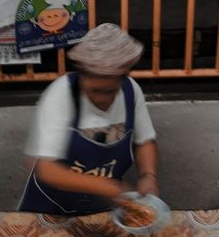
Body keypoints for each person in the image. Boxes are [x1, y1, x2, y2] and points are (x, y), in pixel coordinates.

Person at [18, 23, 161, 215]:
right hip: (51, 207)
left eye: (110, 91)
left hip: (103, 208)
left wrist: (148, 175)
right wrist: (106, 187)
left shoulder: (131, 91)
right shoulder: (61, 94)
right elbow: (46, 168)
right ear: (82, 76)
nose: (103, 100)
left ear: (122, 78)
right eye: (95, 91)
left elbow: (145, 141)